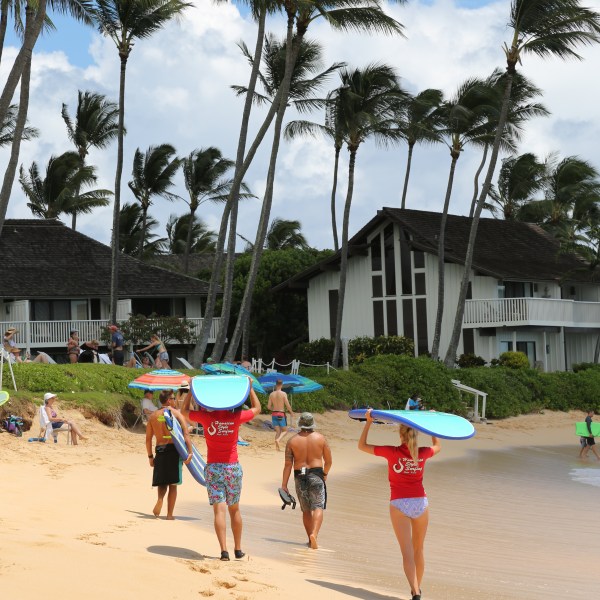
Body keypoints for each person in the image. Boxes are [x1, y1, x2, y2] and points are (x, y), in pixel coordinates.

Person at [358, 409, 441, 600]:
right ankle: (416, 589)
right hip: (420, 502)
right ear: (417, 434)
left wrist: (369, 422)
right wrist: (433, 422)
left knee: (407, 553)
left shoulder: (391, 452)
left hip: (399, 503)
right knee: (418, 549)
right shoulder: (423, 453)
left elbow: (362, 446)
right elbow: (438, 445)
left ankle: (416, 591)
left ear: (400, 434)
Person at [182, 381, 261, 561]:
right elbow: (257, 409)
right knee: (235, 510)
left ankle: (224, 551)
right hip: (232, 468)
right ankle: (238, 550)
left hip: (213, 469)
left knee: (219, 511)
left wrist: (190, 391)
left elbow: (184, 412)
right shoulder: (236, 417)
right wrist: (250, 389)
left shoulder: (206, 418)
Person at [282, 412, 332, 550]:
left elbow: (288, 465)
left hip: (300, 475)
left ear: (300, 424)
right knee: (318, 506)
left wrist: (284, 485)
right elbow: (328, 461)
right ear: (312, 424)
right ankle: (314, 535)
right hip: (316, 475)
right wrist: (325, 474)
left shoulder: (292, 441)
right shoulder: (321, 438)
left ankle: (309, 538)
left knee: (306, 510)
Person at [146, 389, 193, 519]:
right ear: (168, 400)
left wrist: (150, 457)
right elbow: (186, 434)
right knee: (173, 484)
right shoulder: (176, 414)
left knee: (162, 481)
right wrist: (190, 452)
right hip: (174, 450)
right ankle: (169, 515)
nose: (174, 400)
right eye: (173, 398)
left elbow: (148, 439)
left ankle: (160, 498)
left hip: (160, 450)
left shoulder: (153, 416)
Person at [267, 379, 294, 451]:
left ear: (276, 385)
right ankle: (278, 440)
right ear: (282, 385)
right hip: (281, 414)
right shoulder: (283, 394)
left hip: (274, 414)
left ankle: (277, 448)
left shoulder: (271, 394)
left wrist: (274, 409)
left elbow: (268, 407)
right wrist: (291, 412)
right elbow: (287, 405)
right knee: (285, 431)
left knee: (278, 431)